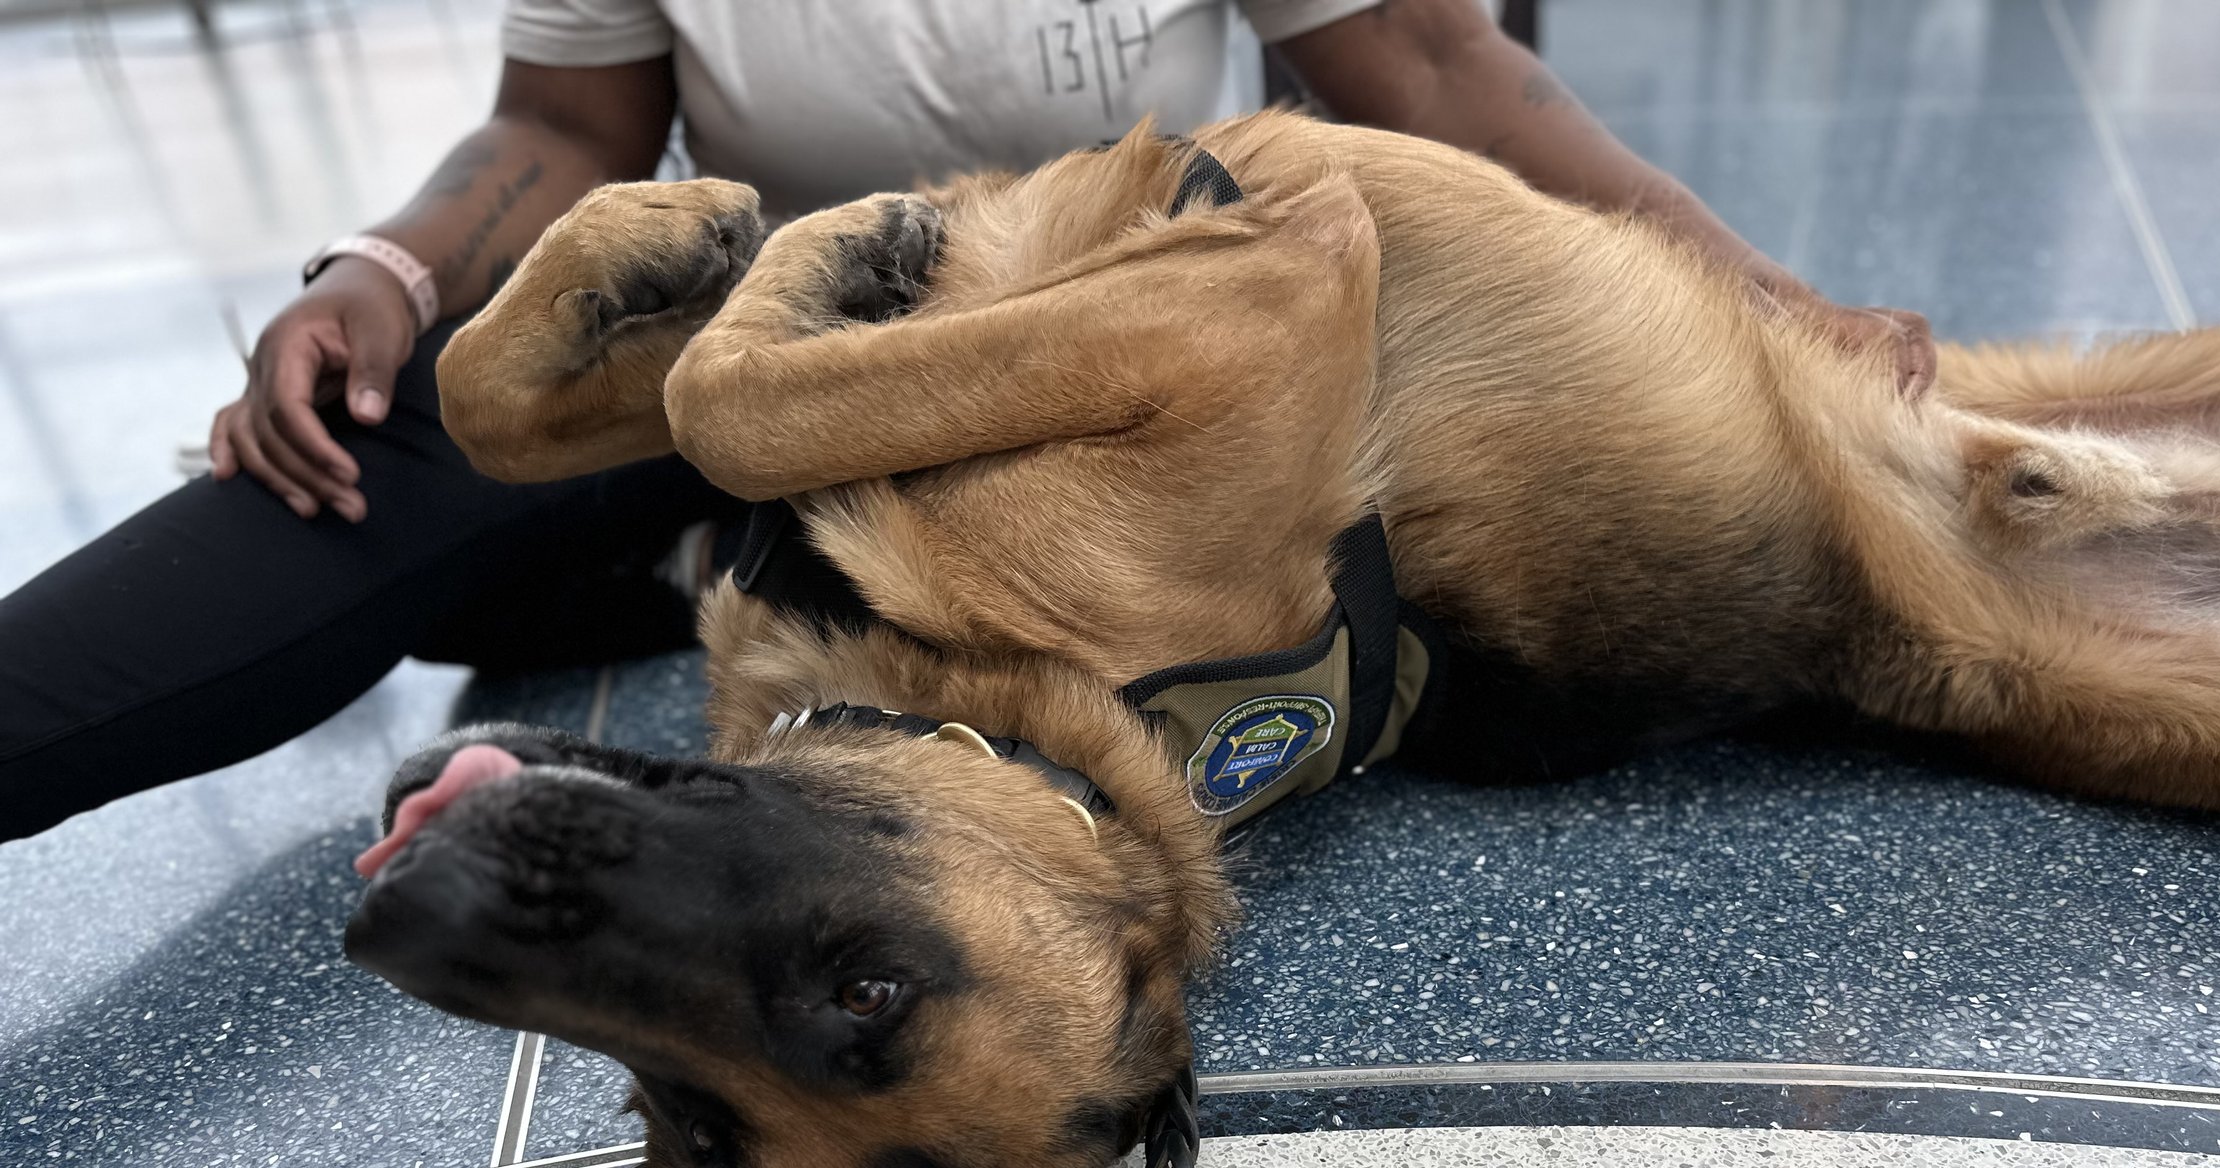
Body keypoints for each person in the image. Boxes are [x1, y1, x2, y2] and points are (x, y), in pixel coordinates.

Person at [0, 0, 1932, 842]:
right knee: (338, 499)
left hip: (1116, 356)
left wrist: (1754, 301)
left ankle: (724, 560)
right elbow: (561, 133)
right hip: (773, 325)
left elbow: (1427, 58)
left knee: (1708, 596)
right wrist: (387, 275)